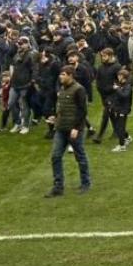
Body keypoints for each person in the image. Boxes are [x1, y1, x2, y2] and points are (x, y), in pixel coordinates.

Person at [45, 65, 91, 197]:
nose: (60, 77)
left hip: (74, 130)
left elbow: (83, 111)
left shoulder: (79, 90)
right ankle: (58, 186)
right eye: (60, 74)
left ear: (70, 75)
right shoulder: (62, 89)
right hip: (61, 128)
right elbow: (62, 107)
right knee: (55, 156)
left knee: (80, 156)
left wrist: (76, 128)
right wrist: (55, 117)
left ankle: (85, 183)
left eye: (63, 74)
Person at [108, 68, 133, 152]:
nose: (118, 76)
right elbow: (116, 97)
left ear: (124, 77)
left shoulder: (127, 86)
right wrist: (111, 106)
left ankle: (121, 145)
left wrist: (117, 89)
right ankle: (127, 137)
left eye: (120, 75)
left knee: (120, 127)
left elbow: (125, 96)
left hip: (123, 110)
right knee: (118, 126)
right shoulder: (120, 85)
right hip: (118, 108)